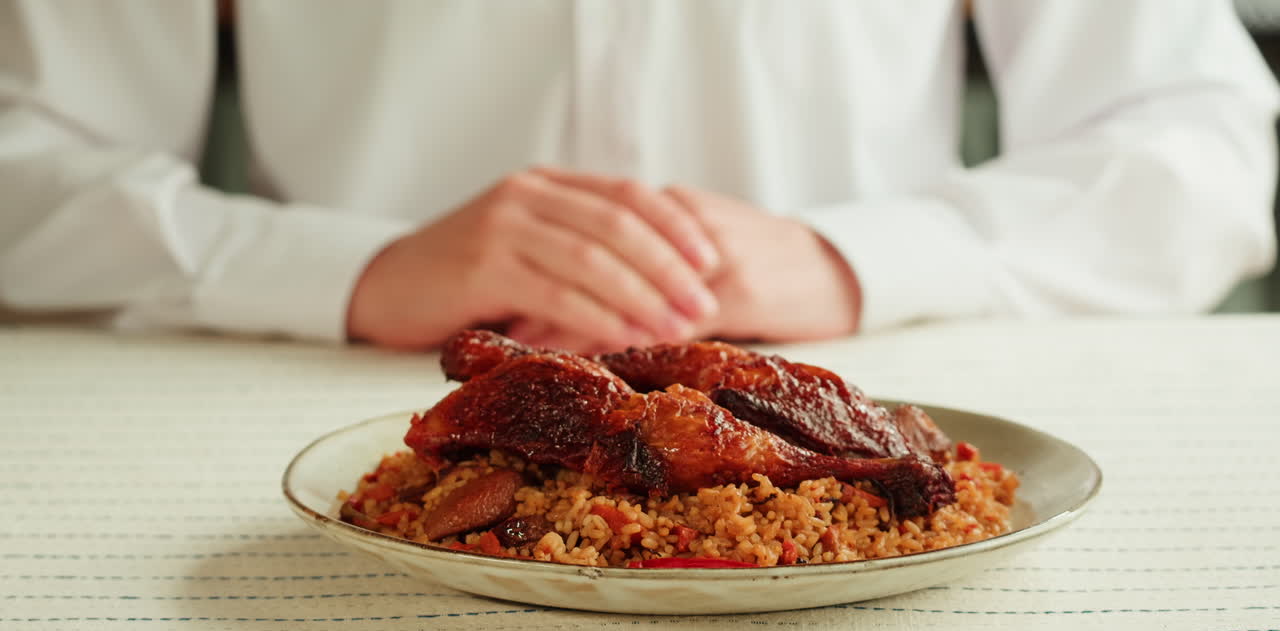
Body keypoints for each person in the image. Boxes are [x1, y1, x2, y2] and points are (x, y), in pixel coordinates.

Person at [1, 1, 1276, 353]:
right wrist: (350, 273)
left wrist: (852, 261)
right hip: (325, 435)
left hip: (883, 435)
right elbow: (24, 158)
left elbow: (1204, 148)